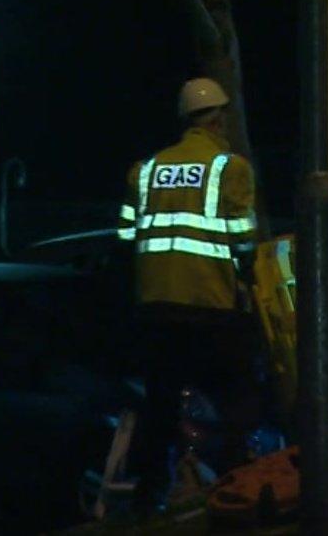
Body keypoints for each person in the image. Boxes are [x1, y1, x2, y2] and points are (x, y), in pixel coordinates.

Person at [116, 77, 262, 516]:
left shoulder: (145, 170)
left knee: (159, 405)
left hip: (156, 306)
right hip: (210, 305)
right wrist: (246, 278)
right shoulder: (229, 168)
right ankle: (238, 485)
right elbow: (243, 240)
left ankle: (148, 497)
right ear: (218, 118)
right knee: (237, 398)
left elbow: (126, 236)